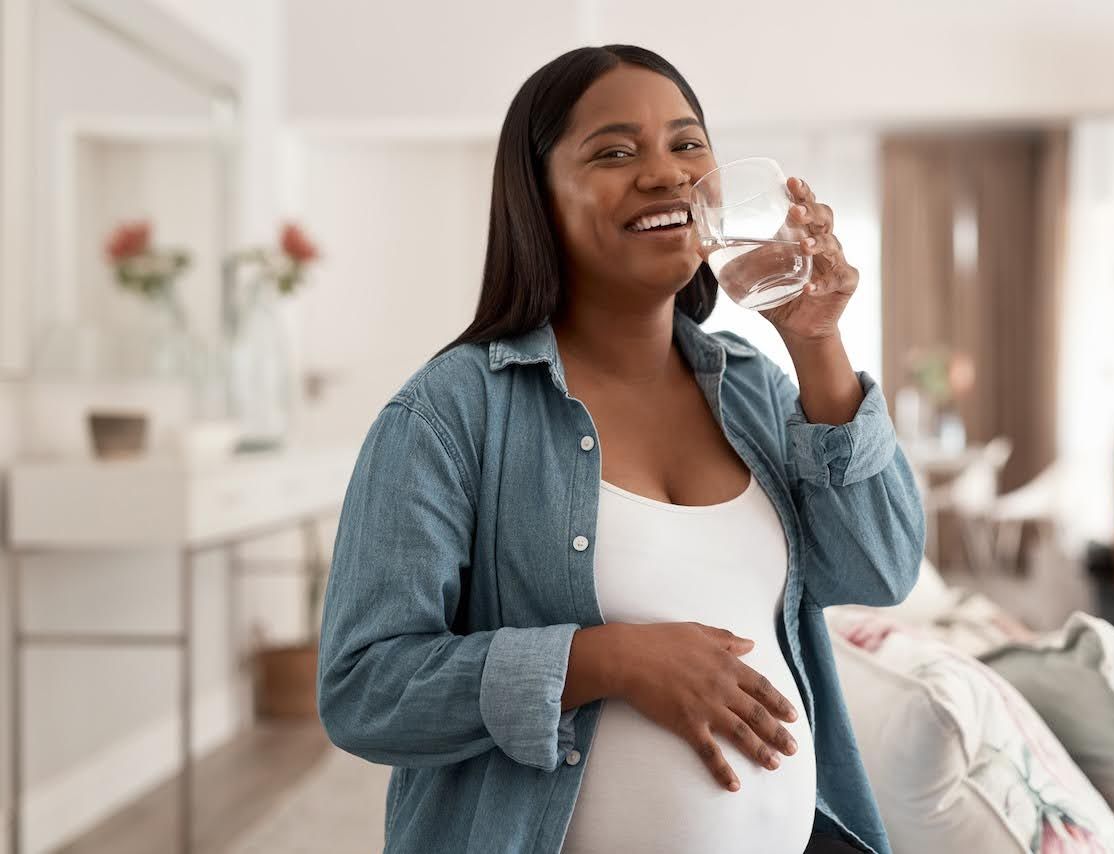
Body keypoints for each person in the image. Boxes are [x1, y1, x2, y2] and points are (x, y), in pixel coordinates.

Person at [316, 44, 925, 854]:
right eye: (613, 152)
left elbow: (879, 570)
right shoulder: (446, 414)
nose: (666, 173)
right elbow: (363, 690)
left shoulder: (753, 389)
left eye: (686, 143)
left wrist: (817, 345)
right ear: (538, 199)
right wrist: (605, 661)